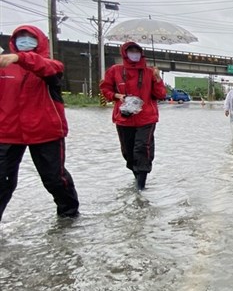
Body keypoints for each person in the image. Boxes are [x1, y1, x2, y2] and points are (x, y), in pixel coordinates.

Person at [0, 25, 80, 220]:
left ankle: (69, 216)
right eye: (21, 38)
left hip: (46, 131)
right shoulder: (4, 67)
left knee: (54, 179)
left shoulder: (52, 66)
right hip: (8, 132)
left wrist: (19, 58)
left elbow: (46, 68)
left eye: (30, 38)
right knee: (1, 181)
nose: (25, 42)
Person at [99, 41, 167, 190]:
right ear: (125, 53)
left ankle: (141, 187)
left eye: (137, 51)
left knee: (142, 148)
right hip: (124, 118)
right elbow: (105, 89)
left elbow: (161, 94)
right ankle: (136, 177)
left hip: (146, 118)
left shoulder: (150, 72)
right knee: (128, 152)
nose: (134, 54)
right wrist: (118, 96)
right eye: (131, 51)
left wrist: (157, 79)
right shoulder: (115, 70)